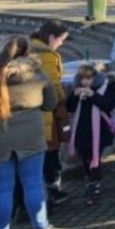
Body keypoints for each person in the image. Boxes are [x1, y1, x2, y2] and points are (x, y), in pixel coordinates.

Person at [0, 36, 74, 229]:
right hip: (31, 136)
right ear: (27, 52)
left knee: (2, 190)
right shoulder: (37, 74)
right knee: (33, 184)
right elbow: (50, 103)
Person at [65, 65, 115, 206]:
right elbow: (69, 107)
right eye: (82, 79)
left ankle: (94, 184)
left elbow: (108, 105)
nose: (85, 82)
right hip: (82, 130)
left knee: (94, 157)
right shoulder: (78, 90)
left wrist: (93, 95)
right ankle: (90, 180)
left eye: (88, 79)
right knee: (85, 156)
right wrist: (75, 96)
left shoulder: (105, 88)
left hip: (99, 130)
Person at [29, 21, 70, 205]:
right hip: (46, 111)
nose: (61, 44)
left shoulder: (27, 48)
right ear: (52, 37)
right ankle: (52, 190)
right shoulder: (46, 55)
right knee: (51, 149)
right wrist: (64, 98)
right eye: (61, 40)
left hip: (28, 111)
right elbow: (53, 87)